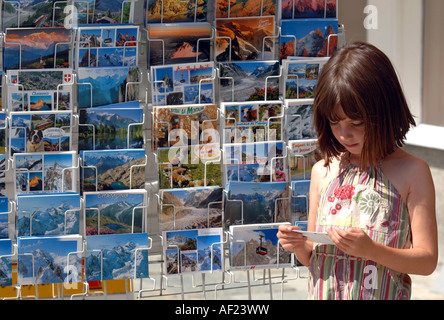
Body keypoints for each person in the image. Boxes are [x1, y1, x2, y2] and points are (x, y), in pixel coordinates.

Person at [277, 42, 438, 300]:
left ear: (384, 112)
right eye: (334, 122)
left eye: (356, 122)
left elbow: (427, 261)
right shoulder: (323, 171)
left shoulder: (413, 172)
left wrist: (372, 250)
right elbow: (313, 257)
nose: (344, 134)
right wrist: (297, 246)